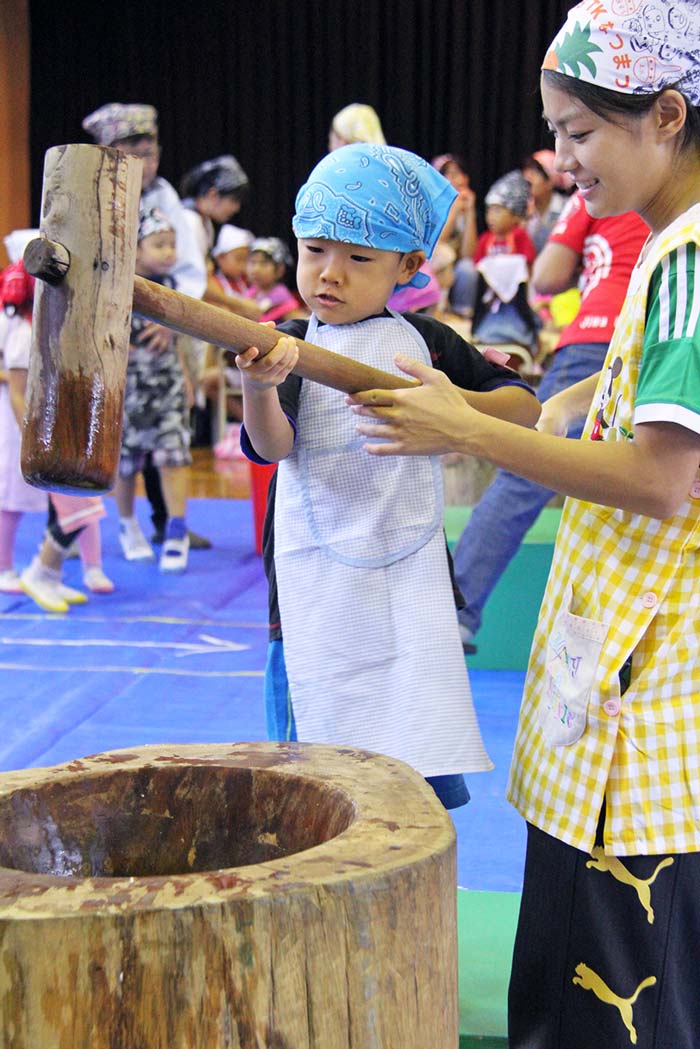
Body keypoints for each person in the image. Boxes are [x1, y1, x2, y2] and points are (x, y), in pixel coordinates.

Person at [349, 4, 700, 1044]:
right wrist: (553, 412)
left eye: (579, 132)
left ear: (667, 115)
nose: (561, 161)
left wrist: (469, 426)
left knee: (600, 1009)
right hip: (633, 704)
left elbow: (659, 478)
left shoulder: (685, 261)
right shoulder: (664, 250)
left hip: (640, 719)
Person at [236, 143, 540, 810]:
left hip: (412, 593)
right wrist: (258, 386)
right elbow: (271, 446)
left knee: (411, 790)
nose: (330, 274)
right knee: (312, 791)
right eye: (315, 250)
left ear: (407, 265)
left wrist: (449, 408)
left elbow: (523, 405)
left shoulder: (427, 343)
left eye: (358, 259)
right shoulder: (291, 341)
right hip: (307, 602)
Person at [453, 192, 650, 652]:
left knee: (525, 476)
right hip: (644, 337)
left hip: (601, 335)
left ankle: (457, 610)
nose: (568, 158)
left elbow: (546, 276)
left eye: (576, 134)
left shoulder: (607, 186)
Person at [82, 102, 211, 550]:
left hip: (156, 330)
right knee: (110, 434)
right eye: (132, 150)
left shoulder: (165, 197)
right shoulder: (89, 190)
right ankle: (78, 528)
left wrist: (173, 321)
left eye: (150, 150)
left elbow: (191, 269)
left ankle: (165, 520)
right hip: (102, 330)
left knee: (164, 433)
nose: (145, 160)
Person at [0, 232, 114, 610]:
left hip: (62, 424)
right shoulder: (21, 333)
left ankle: (53, 571)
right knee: (75, 503)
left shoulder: (49, 324)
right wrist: (36, 435)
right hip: (37, 432)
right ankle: (38, 570)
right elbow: (19, 391)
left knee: (84, 499)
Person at [115, 206, 192, 573]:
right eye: (159, 244)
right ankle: (127, 524)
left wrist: (188, 381)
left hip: (166, 385)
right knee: (127, 461)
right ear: (136, 248)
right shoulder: (117, 284)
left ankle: (177, 529)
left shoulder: (173, 286)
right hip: (128, 388)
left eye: (172, 245)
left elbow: (179, 341)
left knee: (174, 454)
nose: (169, 253)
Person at [469, 170, 541, 364]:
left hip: (515, 302)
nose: (491, 217)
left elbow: (527, 266)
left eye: (498, 211)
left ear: (516, 216)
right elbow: (477, 266)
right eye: (489, 210)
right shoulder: (486, 239)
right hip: (490, 302)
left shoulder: (519, 237)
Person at [430, 153, 479, 315]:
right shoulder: (431, 206)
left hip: (455, 267)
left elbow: (468, 254)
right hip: (434, 264)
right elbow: (436, 245)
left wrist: (470, 211)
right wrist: (454, 209)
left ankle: (463, 312)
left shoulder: (465, 206)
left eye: (460, 174)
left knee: (467, 268)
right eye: (450, 174)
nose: (457, 180)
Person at [522, 148, 572, 254]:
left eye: (535, 172)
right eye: (527, 170)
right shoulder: (522, 209)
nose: (527, 177)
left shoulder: (569, 208)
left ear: (550, 181)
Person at [244, 237, 301, 323]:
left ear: (280, 269)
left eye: (264, 263)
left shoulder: (284, 300)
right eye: (252, 262)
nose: (256, 269)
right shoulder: (251, 292)